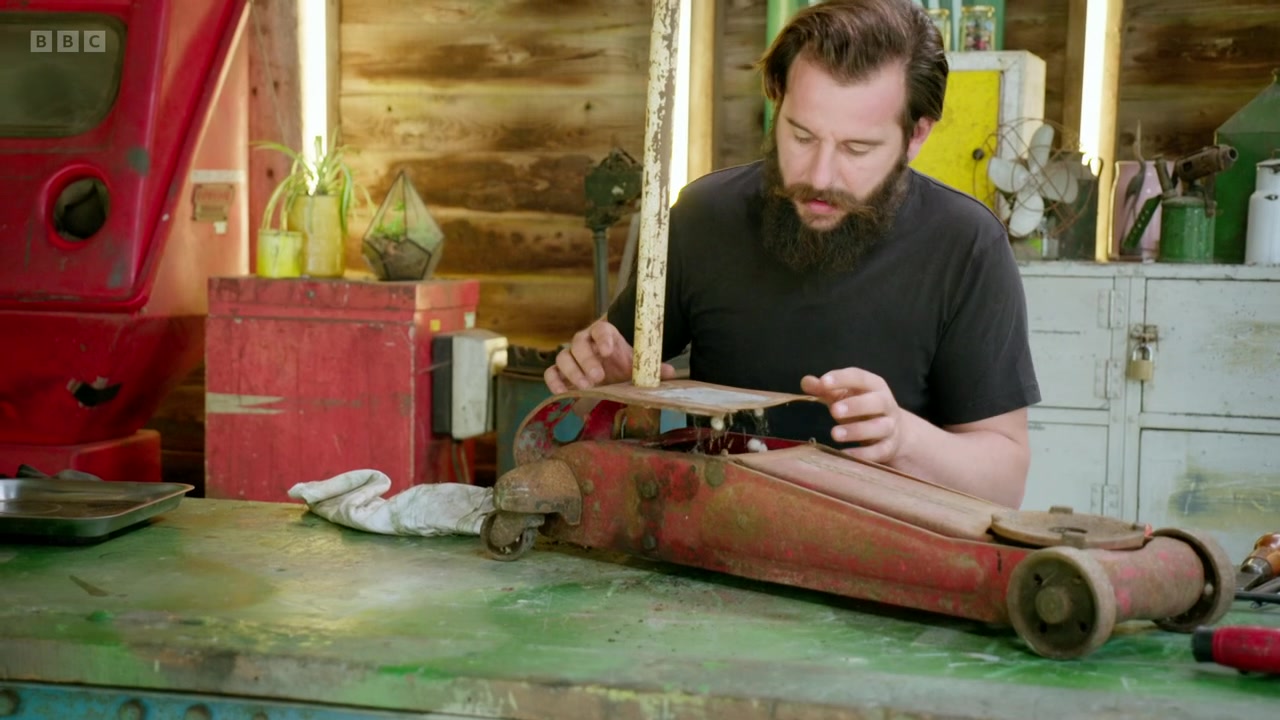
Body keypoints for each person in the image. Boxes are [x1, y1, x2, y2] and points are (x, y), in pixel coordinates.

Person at [545, 0, 1040, 508]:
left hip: (888, 545)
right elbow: (611, 372)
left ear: (916, 135)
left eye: (857, 149)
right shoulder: (704, 217)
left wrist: (903, 439)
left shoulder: (967, 245)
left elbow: (1005, 482)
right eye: (802, 136)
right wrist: (602, 380)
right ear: (778, 99)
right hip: (716, 531)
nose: (819, 177)